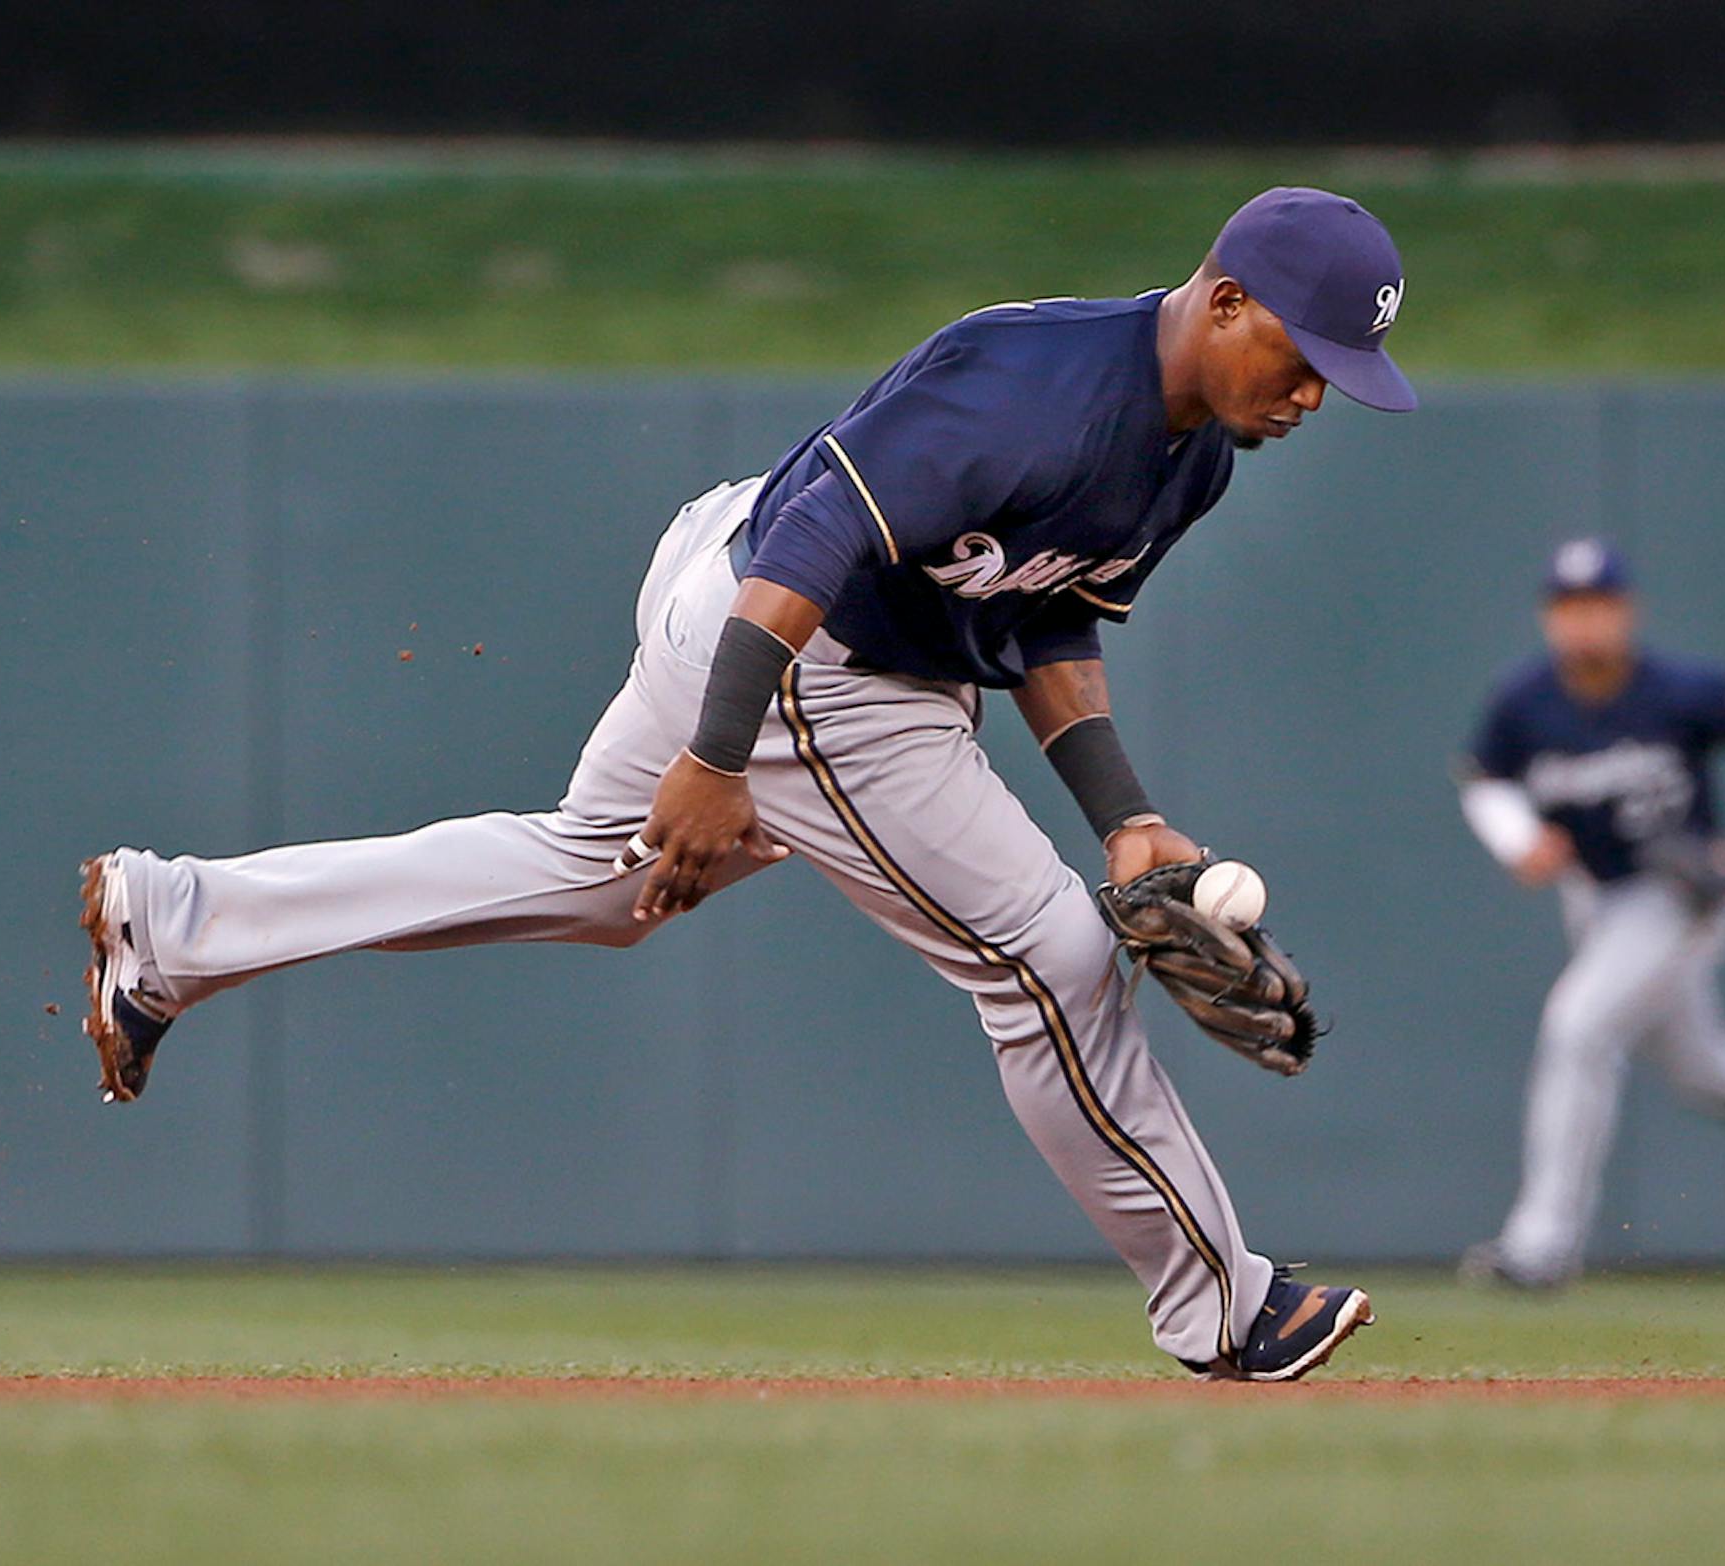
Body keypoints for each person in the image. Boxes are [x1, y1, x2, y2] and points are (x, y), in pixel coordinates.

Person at [79, 187, 1414, 1380]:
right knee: (1049, 961)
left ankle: (178, 924)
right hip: (802, 646)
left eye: (1336, 377)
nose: (1310, 395)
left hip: (772, 612)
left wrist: (1123, 816)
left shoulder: (1192, 457)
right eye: (1303, 357)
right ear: (1227, 301)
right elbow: (818, 528)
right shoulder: (1037, 384)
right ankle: (1222, 1306)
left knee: (598, 880)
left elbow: (1039, 621)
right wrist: (717, 757)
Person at [1455, 538, 1725, 1288]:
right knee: (1698, 1065)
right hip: (1596, 897)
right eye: (1568, 607)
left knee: (1577, 1028)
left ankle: (1542, 1242)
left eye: (1598, 605)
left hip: (1678, 894)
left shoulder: (1678, 689)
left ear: (1627, 612)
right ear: (1549, 617)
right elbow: (1482, 775)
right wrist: (1517, 837)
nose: (1584, 622)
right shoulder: (1524, 699)